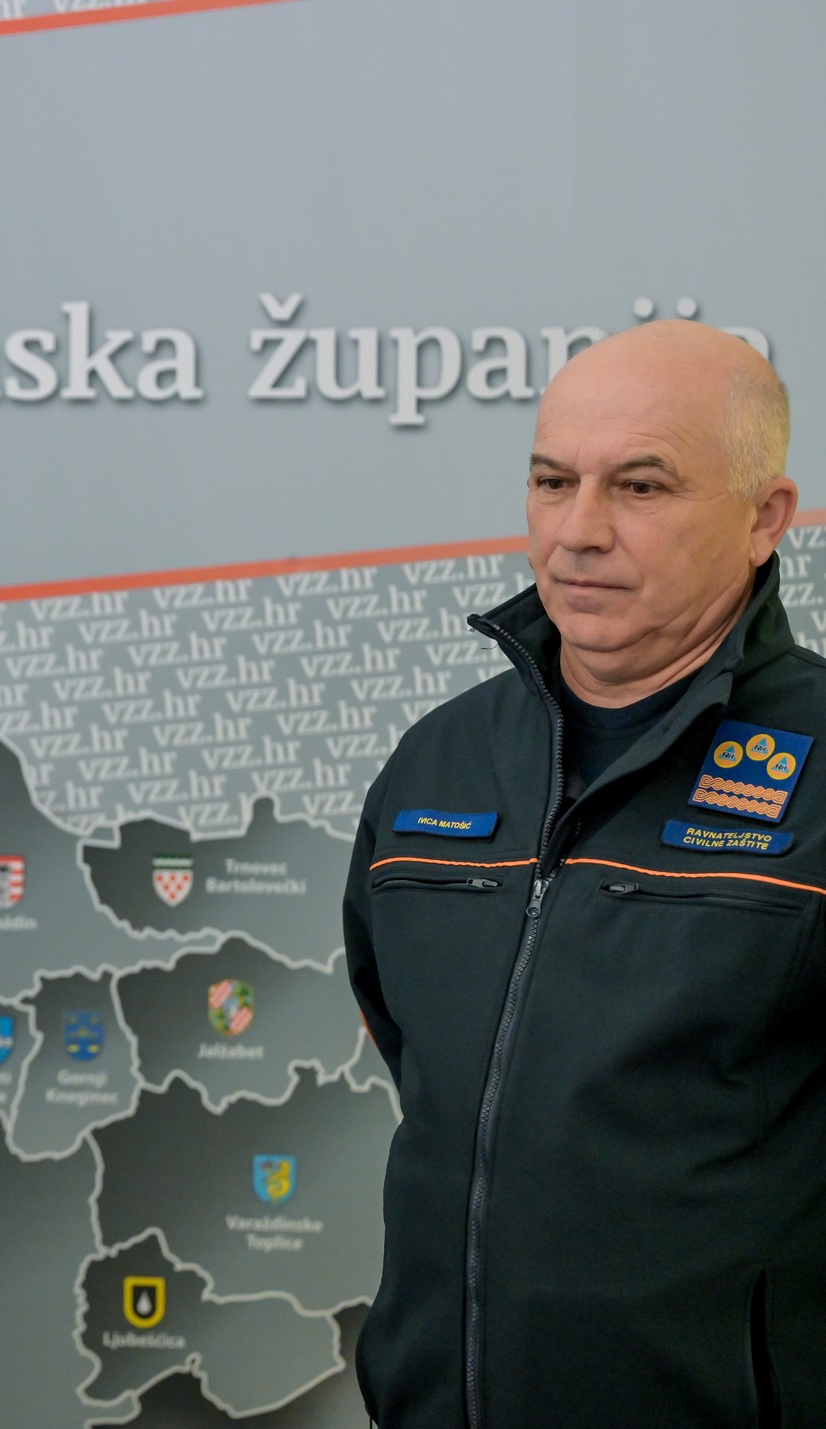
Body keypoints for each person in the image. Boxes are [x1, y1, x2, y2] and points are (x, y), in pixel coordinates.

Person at [344, 319, 822, 1427]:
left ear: (765, 518)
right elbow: (412, 1047)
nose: (578, 531)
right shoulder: (439, 758)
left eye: (640, 487)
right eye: (552, 481)